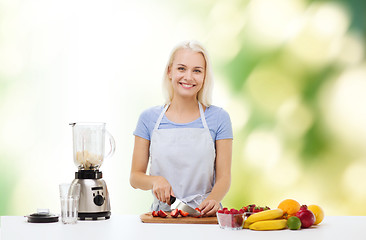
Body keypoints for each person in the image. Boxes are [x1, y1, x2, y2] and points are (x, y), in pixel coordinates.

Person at [130, 40, 233, 217]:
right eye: (181, 68)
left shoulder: (219, 118)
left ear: (205, 76)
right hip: (162, 217)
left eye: (197, 71)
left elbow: (224, 177)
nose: (188, 77)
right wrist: (156, 181)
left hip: (204, 217)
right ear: (170, 71)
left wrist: (213, 200)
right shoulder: (148, 119)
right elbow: (135, 177)